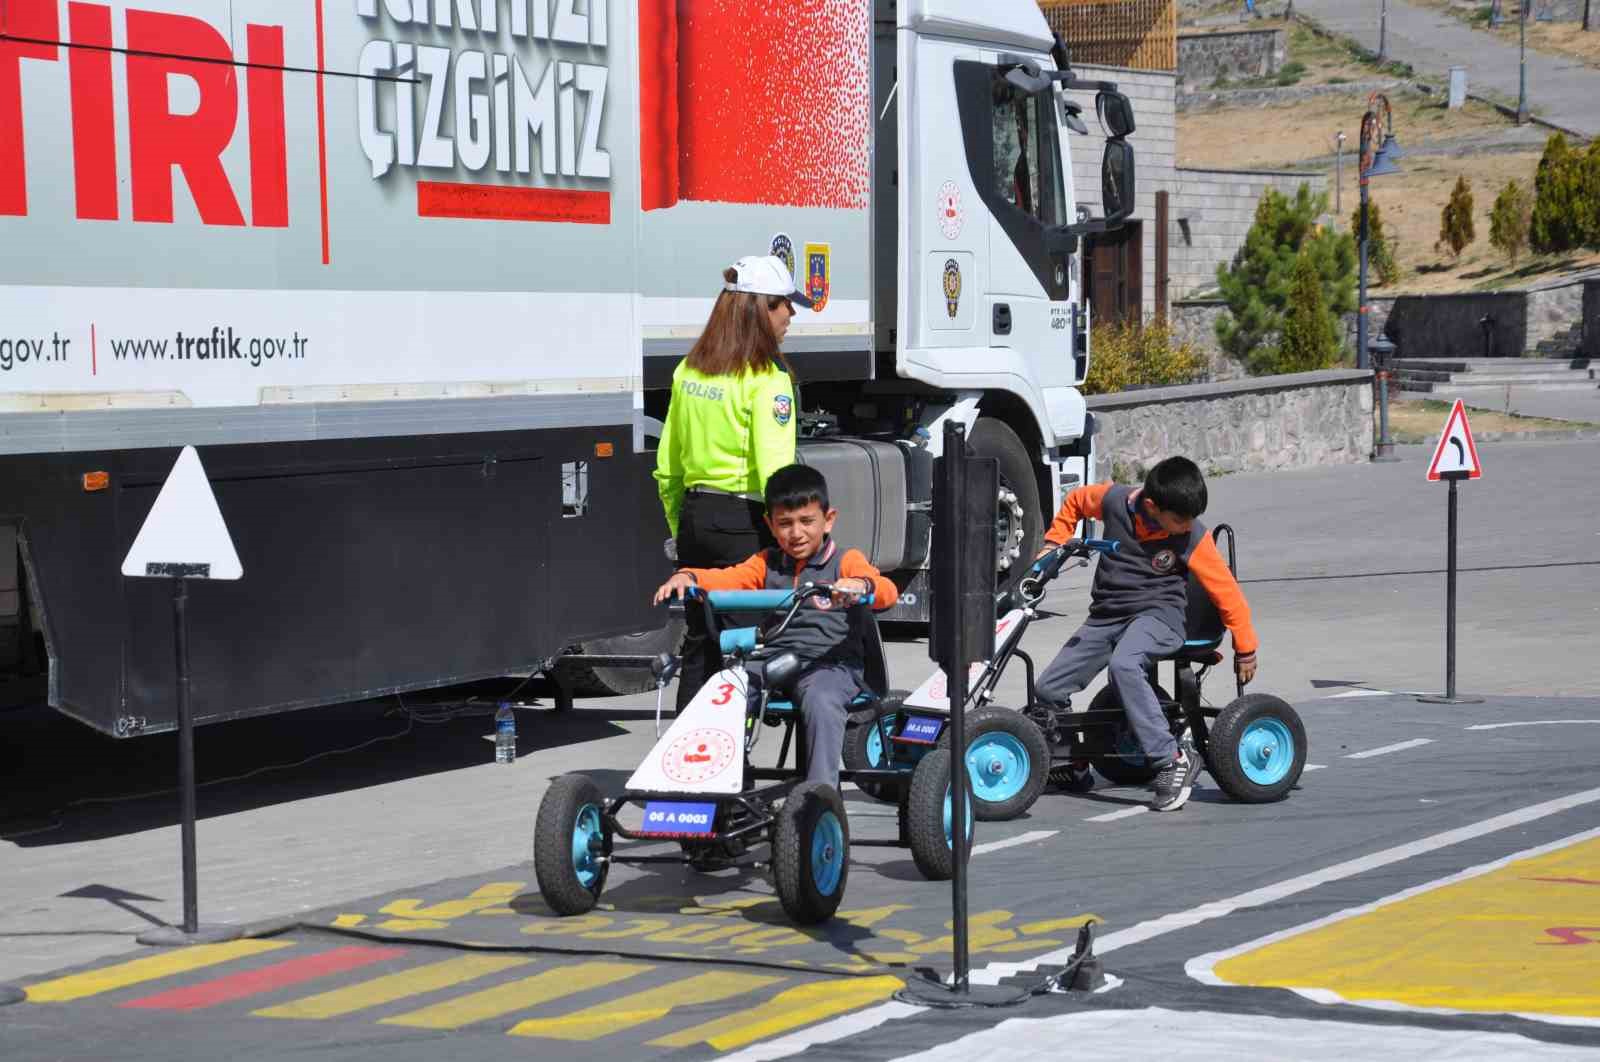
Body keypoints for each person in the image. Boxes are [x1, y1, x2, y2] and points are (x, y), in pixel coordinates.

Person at [1030, 456, 1258, 812]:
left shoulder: (1192, 535)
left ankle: (1172, 759)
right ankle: (1070, 764)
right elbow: (1075, 501)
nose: (1186, 527)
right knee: (1048, 687)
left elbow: (1224, 590)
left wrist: (1246, 646)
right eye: (1179, 520)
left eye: (1190, 519)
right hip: (1107, 616)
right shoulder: (1114, 501)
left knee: (1124, 665)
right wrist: (1053, 544)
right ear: (1152, 506)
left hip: (1161, 616)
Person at [653, 464, 898, 788]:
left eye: (806, 521)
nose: (796, 533)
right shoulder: (766, 562)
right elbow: (730, 579)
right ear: (770, 523)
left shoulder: (845, 560)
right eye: (785, 523)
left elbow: (886, 590)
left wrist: (859, 586)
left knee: (820, 700)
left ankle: (821, 795)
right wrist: (690, 577)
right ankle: (725, 784)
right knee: (725, 690)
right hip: (774, 661)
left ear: (829, 519)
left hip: (831, 666)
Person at [654, 254, 812, 713]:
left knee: (700, 645)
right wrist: (799, 540)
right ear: (763, 308)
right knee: (743, 649)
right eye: (785, 304)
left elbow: (668, 466)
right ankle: (729, 766)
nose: (791, 315)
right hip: (744, 523)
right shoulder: (767, 379)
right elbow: (777, 474)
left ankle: (686, 762)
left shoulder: (690, 371)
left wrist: (681, 526)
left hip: (696, 519)